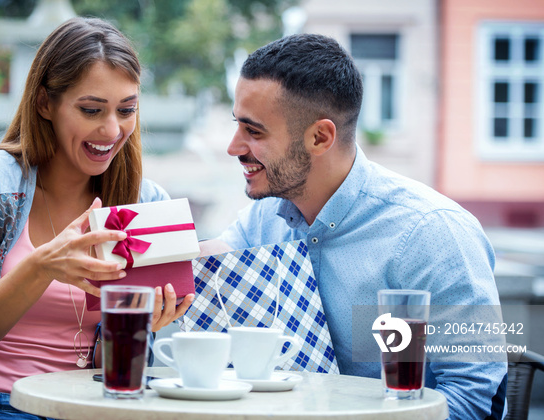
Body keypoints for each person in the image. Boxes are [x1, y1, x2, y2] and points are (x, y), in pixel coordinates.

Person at [0, 17, 193, 420]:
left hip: (88, 407)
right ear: (44, 103)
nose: (111, 129)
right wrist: (41, 266)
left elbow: (115, 370)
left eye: (127, 110)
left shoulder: (144, 202)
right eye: (91, 109)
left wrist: (142, 323)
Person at [207, 33, 507, 419]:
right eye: (237, 125)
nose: (234, 146)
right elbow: (206, 262)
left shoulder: (432, 234)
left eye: (254, 131)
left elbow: (475, 398)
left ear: (320, 137)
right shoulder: (264, 219)